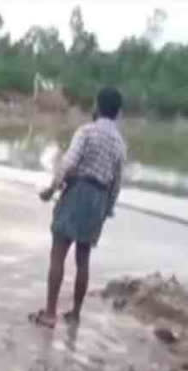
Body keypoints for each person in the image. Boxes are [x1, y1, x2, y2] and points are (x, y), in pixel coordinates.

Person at [30, 87, 127, 328]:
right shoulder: (120, 144)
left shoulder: (86, 132)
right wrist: (107, 210)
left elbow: (69, 164)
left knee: (58, 253)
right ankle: (75, 313)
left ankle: (50, 313)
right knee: (83, 259)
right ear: (117, 113)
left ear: (98, 106)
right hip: (99, 200)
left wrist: (51, 189)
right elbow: (116, 183)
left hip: (78, 192)